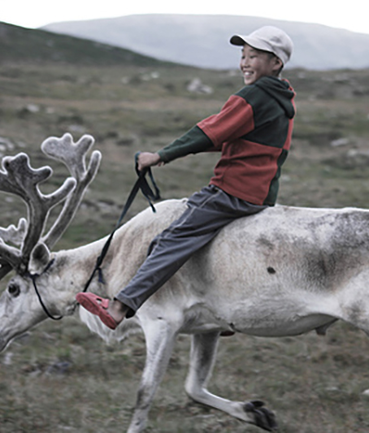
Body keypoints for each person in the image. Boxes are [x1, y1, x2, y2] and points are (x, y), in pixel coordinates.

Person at [76, 26, 296, 329]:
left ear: (276, 64)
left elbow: (211, 131)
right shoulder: (283, 99)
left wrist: (161, 155)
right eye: (243, 55)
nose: (245, 62)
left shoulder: (254, 95)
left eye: (254, 56)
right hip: (262, 194)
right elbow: (230, 139)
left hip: (233, 191)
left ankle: (118, 307)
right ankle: (215, 310)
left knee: (170, 240)